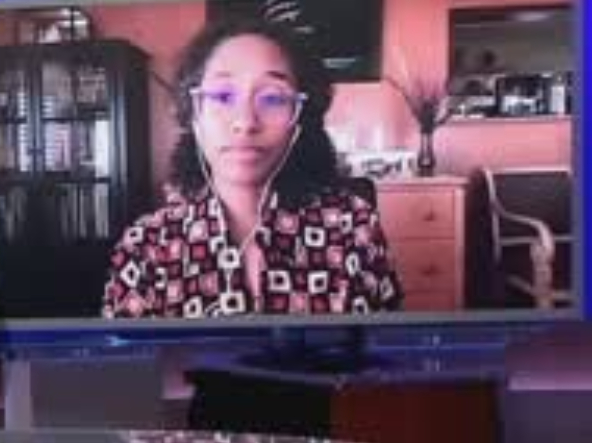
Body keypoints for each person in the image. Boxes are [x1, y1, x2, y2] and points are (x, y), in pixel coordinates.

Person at [101, 16, 403, 318]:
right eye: (222, 96)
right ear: (193, 114)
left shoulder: (355, 229)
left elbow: (385, 344)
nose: (245, 122)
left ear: (301, 118)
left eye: (272, 98)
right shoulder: (145, 248)